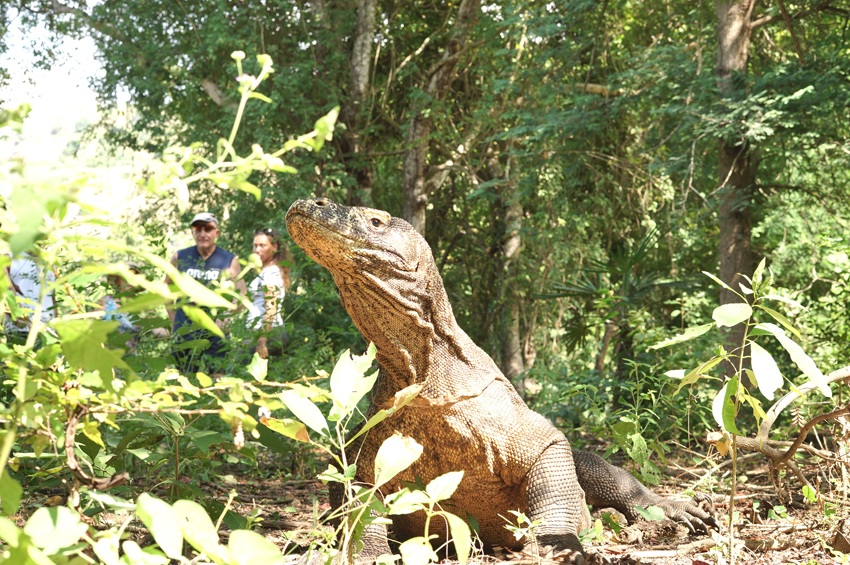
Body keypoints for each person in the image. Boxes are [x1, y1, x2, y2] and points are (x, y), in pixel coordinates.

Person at [165, 212, 246, 375]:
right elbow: (165, 288)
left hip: (216, 329)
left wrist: (228, 316)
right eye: (198, 228)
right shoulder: (180, 257)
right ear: (193, 232)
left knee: (218, 378)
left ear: (217, 233)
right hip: (185, 328)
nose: (203, 234)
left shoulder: (229, 260)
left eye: (208, 229)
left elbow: (242, 294)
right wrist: (173, 319)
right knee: (183, 378)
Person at [246, 227, 290, 359]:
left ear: (274, 247)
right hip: (267, 330)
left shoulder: (270, 273)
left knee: (240, 371)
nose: (257, 250)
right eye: (255, 246)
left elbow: (271, 309)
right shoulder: (268, 271)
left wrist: (262, 340)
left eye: (262, 245)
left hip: (265, 332)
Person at [4, 250, 57, 338]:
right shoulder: (8, 258)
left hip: (48, 330)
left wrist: (56, 327)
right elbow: (5, 292)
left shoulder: (50, 261)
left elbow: (52, 297)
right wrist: (19, 319)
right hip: (21, 330)